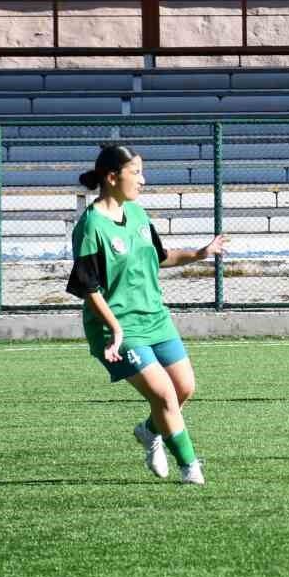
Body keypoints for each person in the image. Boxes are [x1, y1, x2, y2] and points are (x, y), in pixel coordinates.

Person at [66, 144, 229, 485]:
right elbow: (89, 288)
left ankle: (149, 431)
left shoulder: (138, 214)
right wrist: (115, 329)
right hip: (118, 327)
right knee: (164, 395)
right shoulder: (91, 226)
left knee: (184, 388)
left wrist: (200, 253)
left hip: (155, 318)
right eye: (136, 172)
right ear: (112, 178)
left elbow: (161, 256)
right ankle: (190, 469)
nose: (144, 179)